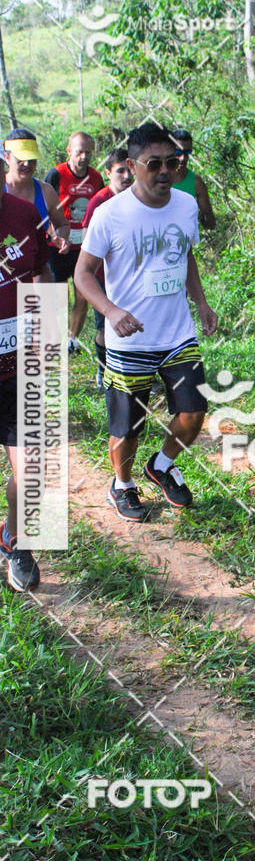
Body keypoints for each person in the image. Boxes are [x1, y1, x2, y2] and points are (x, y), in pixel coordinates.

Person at [75, 123, 218, 523]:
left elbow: (185, 255)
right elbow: (82, 273)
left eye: (172, 162)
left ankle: (161, 464)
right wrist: (111, 311)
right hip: (129, 339)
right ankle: (122, 484)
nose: (165, 171)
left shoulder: (185, 205)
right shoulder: (110, 214)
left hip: (177, 333)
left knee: (193, 411)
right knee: (128, 427)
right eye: (153, 163)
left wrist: (201, 302)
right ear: (132, 165)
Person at [0, 150, 52, 591]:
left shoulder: (24, 214)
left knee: (31, 467)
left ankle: (16, 540)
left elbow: (40, 271)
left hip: (18, 368)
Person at [45, 131, 104, 353]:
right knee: (58, 295)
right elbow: (44, 207)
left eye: (88, 152)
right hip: (58, 246)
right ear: (69, 151)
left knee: (83, 293)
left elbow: (101, 208)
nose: (84, 157)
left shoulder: (96, 177)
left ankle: (72, 339)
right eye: (79, 152)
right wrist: (55, 235)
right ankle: (54, 339)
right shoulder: (56, 174)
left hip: (85, 246)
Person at [81, 148, 133, 388]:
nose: (127, 176)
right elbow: (87, 241)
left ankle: (139, 372)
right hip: (103, 277)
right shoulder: (99, 202)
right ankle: (104, 369)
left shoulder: (139, 196)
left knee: (133, 323)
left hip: (132, 276)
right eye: (120, 171)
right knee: (105, 327)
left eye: (130, 170)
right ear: (108, 173)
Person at [4, 128, 70, 253]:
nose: (27, 164)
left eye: (32, 159)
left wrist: (61, 238)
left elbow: (62, 224)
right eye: (20, 159)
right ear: (7, 158)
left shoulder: (46, 192)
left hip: (37, 261)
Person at [170, 129, 216, 229]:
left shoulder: (196, 183)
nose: (183, 158)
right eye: (178, 152)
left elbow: (210, 223)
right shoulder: (156, 179)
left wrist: (199, 215)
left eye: (187, 152)